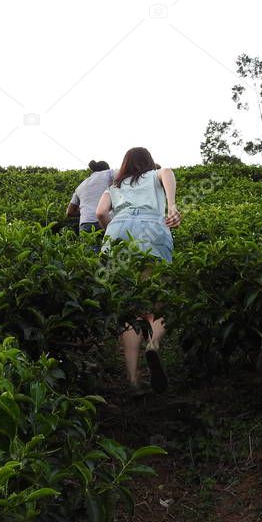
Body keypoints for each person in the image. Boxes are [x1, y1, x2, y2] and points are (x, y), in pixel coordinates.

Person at [95, 147, 181, 395]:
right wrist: (171, 206)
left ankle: (133, 381)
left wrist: (114, 230)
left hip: (117, 236)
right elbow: (166, 171)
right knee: (159, 302)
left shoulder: (114, 186)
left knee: (129, 310)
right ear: (149, 162)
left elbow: (100, 212)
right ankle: (152, 344)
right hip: (151, 232)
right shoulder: (155, 174)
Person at [67, 160, 114, 232]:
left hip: (85, 225)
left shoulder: (80, 186)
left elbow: (70, 212)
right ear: (107, 168)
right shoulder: (109, 173)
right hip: (104, 221)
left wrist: (86, 211)